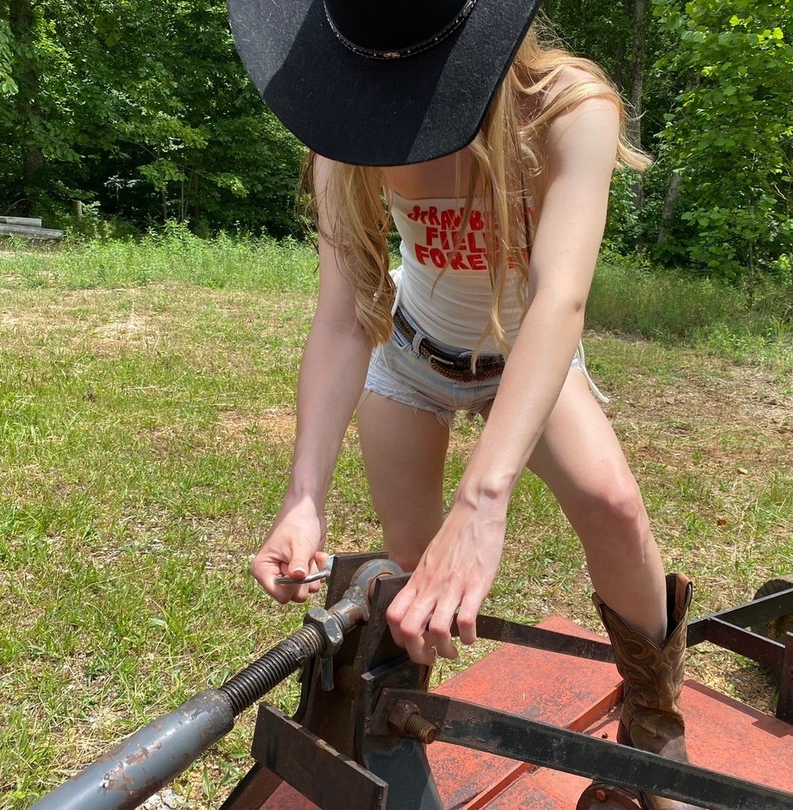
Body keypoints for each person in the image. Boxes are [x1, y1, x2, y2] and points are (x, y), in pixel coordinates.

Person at [230, 1, 700, 807]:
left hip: (526, 356)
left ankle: (655, 725)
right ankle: (396, 746)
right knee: (417, 578)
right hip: (412, 353)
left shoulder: (568, 110)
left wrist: (483, 501)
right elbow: (344, 317)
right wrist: (303, 496)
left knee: (615, 507)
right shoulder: (345, 124)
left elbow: (558, 301)